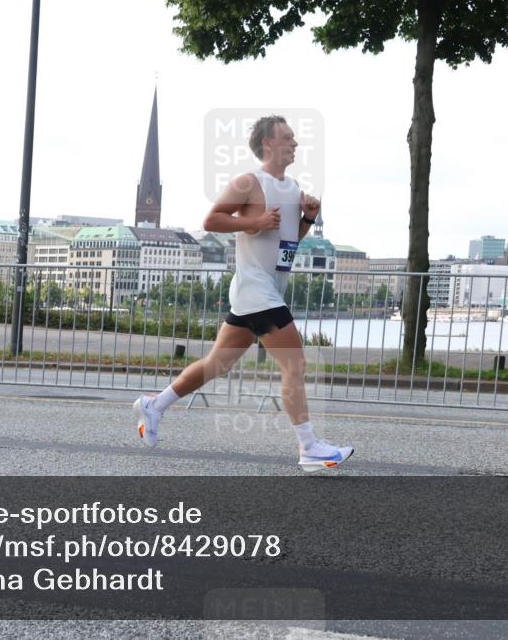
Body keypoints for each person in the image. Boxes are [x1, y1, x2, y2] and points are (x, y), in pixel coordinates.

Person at [133, 115, 354, 472]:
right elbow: (211, 221)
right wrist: (253, 221)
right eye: (287, 137)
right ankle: (310, 448)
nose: (295, 143)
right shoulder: (248, 182)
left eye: (295, 138)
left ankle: (154, 404)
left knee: (217, 364)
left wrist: (307, 219)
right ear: (268, 143)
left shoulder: (294, 187)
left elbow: (287, 247)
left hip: (264, 290)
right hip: (256, 289)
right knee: (294, 364)